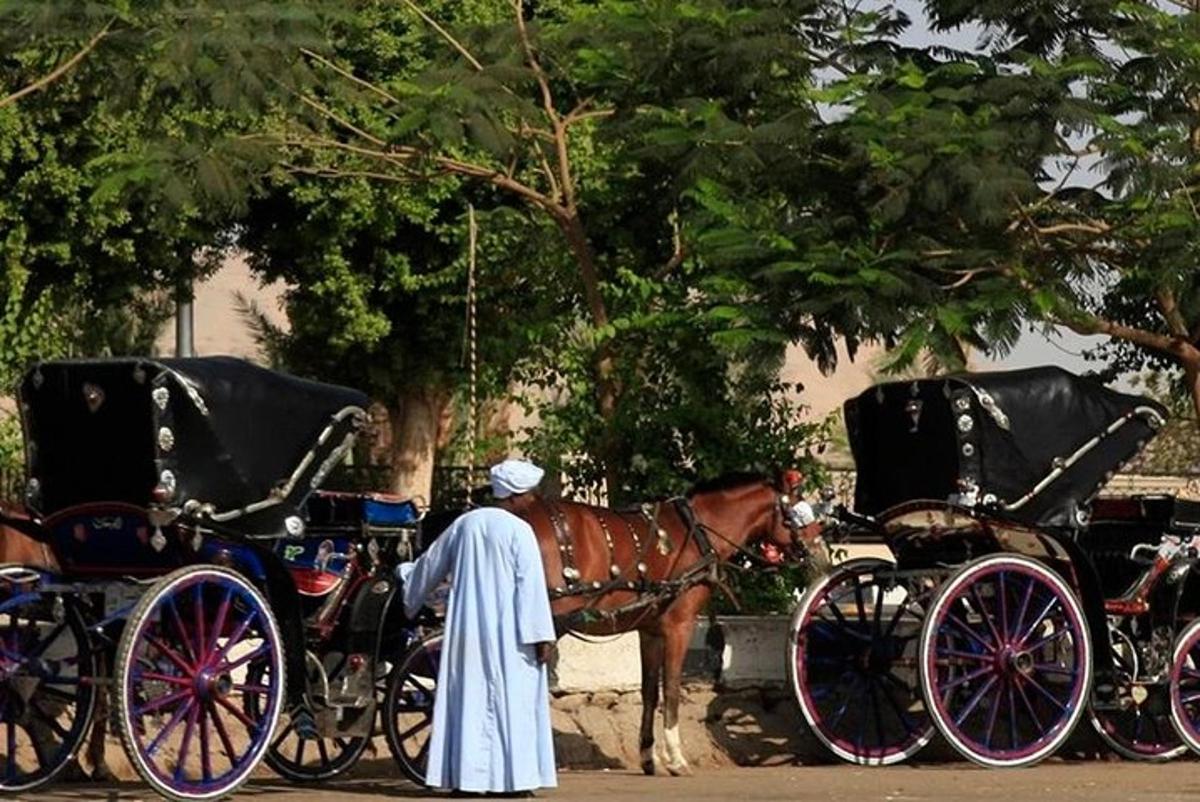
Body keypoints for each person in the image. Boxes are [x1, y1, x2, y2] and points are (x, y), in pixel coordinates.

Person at [398, 458, 557, 797]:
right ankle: (510, 782)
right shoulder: (520, 531)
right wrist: (542, 636)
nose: (532, 501)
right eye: (529, 495)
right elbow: (530, 588)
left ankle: (467, 779)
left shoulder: (464, 525)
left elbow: (429, 566)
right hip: (511, 634)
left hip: (467, 632)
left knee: (467, 703)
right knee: (513, 704)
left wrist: (406, 582)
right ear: (515, 496)